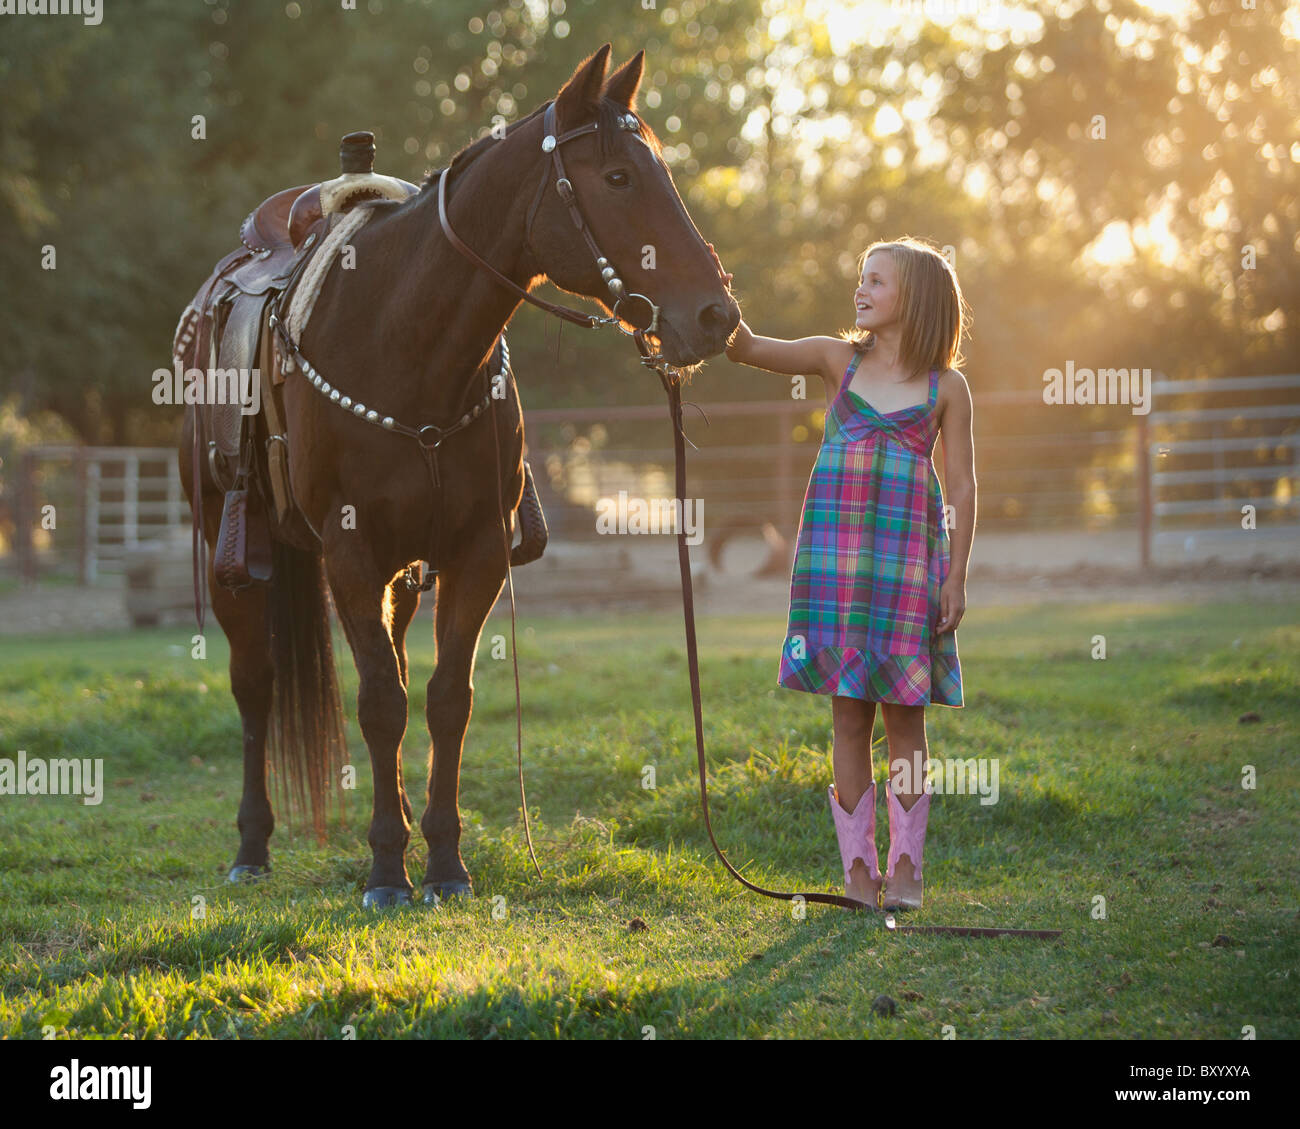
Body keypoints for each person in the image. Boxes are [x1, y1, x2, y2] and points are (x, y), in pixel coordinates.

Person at [709, 236, 975, 910]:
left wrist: (957, 578)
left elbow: (965, 488)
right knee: (848, 718)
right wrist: (714, 289)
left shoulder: (948, 388)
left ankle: (907, 868)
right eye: (862, 278)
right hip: (835, 570)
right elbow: (745, 347)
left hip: (907, 573)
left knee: (906, 723)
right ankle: (858, 875)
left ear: (912, 298)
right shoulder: (838, 361)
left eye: (876, 281)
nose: (860, 290)